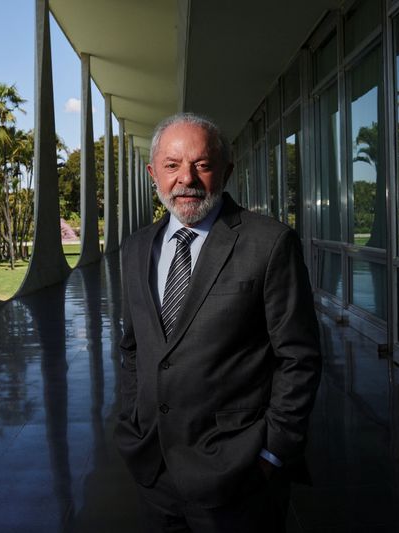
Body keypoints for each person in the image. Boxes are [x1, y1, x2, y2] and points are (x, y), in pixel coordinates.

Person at [114, 112, 321, 532]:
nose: (186, 179)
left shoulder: (270, 243)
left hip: (238, 474)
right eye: (172, 166)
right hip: (154, 470)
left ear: (226, 171)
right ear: (154, 173)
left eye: (202, 165)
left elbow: (299, 357)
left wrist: (274, 452)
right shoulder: (135, 249)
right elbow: (134, 347)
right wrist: (133, 421)